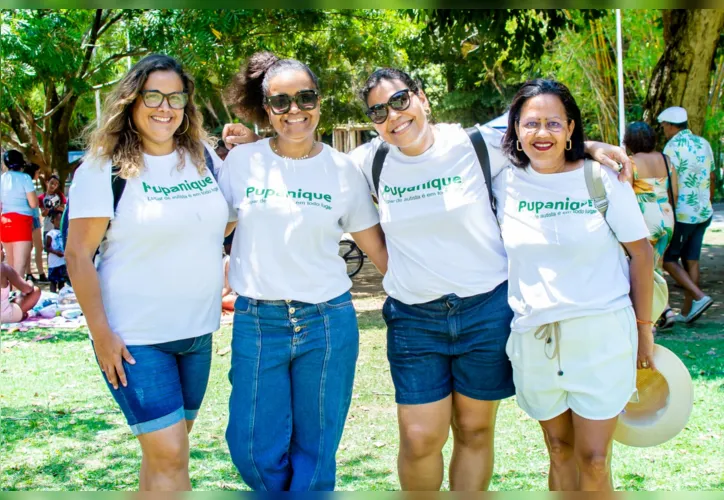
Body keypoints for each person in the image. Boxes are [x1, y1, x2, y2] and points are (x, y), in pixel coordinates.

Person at [223, 67, 632, 492]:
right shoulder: (367, 161)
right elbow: (305, 164)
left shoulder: (475, 143)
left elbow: (538, 139)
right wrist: (258, 148)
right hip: (415, 319)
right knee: (419, 439)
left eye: (400, 101)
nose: (393, 116)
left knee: (474, 432)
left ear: (422, 98)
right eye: (378, 111)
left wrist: (590, 147)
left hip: (485, 309)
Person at [65, 54, 234, 491]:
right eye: (153, 95)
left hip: (197, 334)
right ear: (131, 101)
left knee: (164, 458)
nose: (165, 107)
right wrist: (101, 334)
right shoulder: (103, 170)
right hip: (135, 339)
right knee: (171, 456)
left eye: (175, 96)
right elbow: (78, 254)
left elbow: (223, 220)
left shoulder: (203, 161)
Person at [220, 52, 387, 491]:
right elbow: (209, 228)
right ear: (266, 108)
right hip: (258, 320)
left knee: (316, 451)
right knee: (251, 447)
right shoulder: (241, 162)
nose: (295, 110)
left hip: (327, 321)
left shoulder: (343, 170)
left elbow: (378, 248)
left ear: (319, 101)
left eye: (305, 97)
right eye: (281, 102)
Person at [496, 79, 654, 491]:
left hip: (601, 334)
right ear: (514, 129)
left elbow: (641, 253)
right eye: (531, 124)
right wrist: (591, 143)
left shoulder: (601, 178)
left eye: (554, 123)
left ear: (571, 129)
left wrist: (644, 330)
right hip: (536, 339)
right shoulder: (502, 181)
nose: (542, 133)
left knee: (595, 459)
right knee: (558, 450)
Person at [658, 107, 715, 324]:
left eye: (664, 126)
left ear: (672, 126)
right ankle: (688, 311)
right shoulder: (703, 143)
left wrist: (669, 211)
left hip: (683, 213)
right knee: (692, 260)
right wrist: (707, 201)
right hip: (703, 211)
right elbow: (711, 176)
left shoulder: (671, 148)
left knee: (670, 259)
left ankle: (699, 298)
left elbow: (671, 186)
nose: (663, 130)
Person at [624, 121, 679, 329]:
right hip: (667, 215)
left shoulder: (631, 162)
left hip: (645, 217)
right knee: (656, 265)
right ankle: (666, 309)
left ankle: (653, 316)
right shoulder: (666, 160)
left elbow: (626, 193)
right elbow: (675, 190)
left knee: (641, 267)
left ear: (629, 141)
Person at [1, 150, 39, 276]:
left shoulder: (2, 178)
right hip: (21, 222)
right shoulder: (25, 178)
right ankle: (17, 294)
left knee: (10, 264)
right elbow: (33, 203)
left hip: (5, 221)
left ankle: (10, 294)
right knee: (20, 266)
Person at [23, 163, 49, 283]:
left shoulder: (25, 183)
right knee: (36, 247)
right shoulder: (27, 183)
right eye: (38, 172)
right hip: (31, 218)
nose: (39, 175)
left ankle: (31, 273)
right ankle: (38, 273)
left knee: (33, 247)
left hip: (31, 217)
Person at [44, 210, 68, 293]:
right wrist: (56, 252)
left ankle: (61, 296)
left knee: (62, 281)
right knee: (53, 281)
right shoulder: (51, 233)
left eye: (61, 220)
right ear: (52, 221)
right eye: (58, 220)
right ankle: (53, 296)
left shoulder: (65, 233)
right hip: (54, 263)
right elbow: (47, 247)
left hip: (62, 262)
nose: (60, 222)